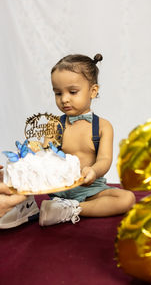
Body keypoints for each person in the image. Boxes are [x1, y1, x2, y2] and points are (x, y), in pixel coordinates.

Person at [39, 53, 135, 226]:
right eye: (58, 93)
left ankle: (71, 208)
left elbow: (104, 159)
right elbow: (44, 154)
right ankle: (51, 205)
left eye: (72, 92)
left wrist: (93, 171)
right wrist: (35, 156)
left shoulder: (103, 126)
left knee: (127, 198)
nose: (64, 99)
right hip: (60, 187)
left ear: (93, 91)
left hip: (90, 188)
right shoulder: (55, 125)